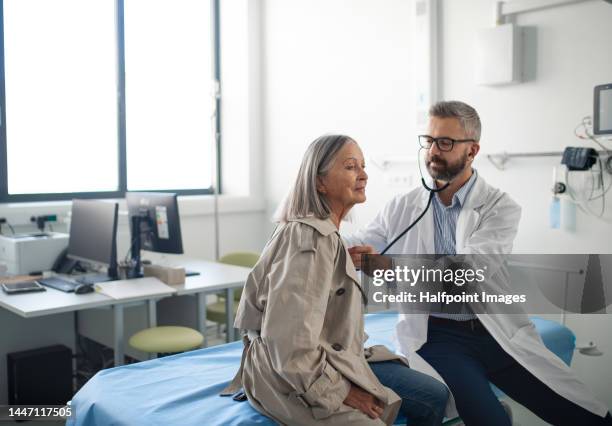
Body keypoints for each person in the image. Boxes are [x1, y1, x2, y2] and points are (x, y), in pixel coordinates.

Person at [346, 101, 612, 426]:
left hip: (495, 330)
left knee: (586, 414)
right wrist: (325, 238)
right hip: (438, 336)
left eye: (445, 142)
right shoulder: (404, 206)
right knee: (489, 420)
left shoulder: (500, 207)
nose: (433, 151)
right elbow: (363, 239)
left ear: (472, 151)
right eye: (428, 141)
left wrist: (389, 267)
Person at [222, 134, 449, 426]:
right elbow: (289, 342)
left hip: (329, 356)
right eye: (351, 166)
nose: (364, 175)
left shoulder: (326, 237)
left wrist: (344, 262)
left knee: (434, 395)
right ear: (319, 182)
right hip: (291, 373)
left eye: (363, 166)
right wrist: (341, 391)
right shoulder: (310, 241)